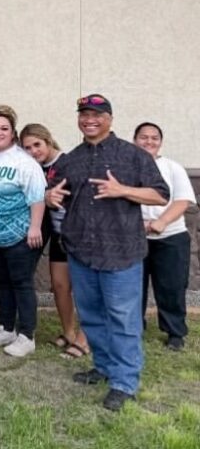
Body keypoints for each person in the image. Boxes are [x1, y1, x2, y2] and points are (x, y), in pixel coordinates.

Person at [46, 94, 168, 412]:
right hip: (81, 252)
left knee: (123, 319)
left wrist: (123, 190)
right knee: (93, 316)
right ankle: (102, 367)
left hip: (122, 254)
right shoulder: (71, 158)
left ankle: (124, 382)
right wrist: (50, 197)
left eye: (97, 114)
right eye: (84, 114)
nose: (90, 119)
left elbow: (159, 195)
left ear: (109, 119)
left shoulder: (133, 156)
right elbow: (55, 192)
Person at [0, 109, 46, 358]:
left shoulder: (23, 161)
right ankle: (6, 327)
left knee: (22, 282)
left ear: (13, 133)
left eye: (4, 128)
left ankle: (27, 334)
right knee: (1, 280)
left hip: (19, 233)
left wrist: (35, 226)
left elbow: (37, 197)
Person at [20, 123, 88, 360]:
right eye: (27, 148)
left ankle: (84, 338)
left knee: (84, 289)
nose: (33, 151)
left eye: (37, 145)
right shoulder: (32, 167)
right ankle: (68, 332)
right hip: (58, 234)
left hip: (80, 234)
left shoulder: (68, 162)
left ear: (48, 141)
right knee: (59, 286)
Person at [133, 121, 195, 352]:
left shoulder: (172, 167)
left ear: (160, 142)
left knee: (171, 286)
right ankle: (134, 327)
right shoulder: (128, 167)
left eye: (154, 137)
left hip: (171, 237)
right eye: (143, 137)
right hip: (135, 237)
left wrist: (161, 222)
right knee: (133, 287)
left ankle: (175, 332)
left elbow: (182, 200)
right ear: (134, 140)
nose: (149, 141)